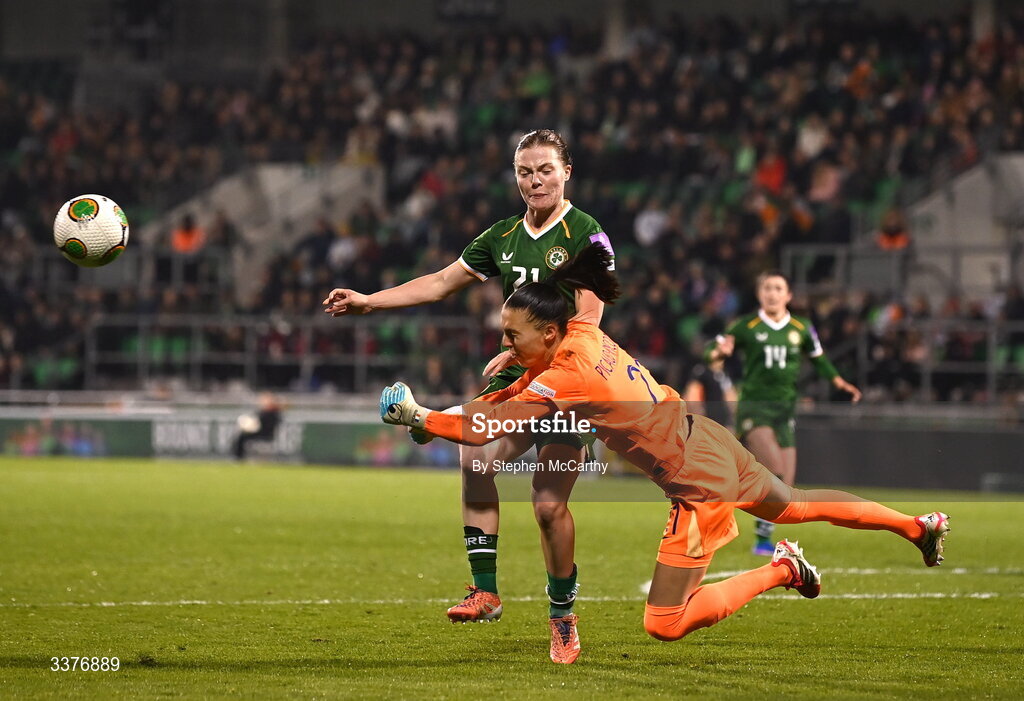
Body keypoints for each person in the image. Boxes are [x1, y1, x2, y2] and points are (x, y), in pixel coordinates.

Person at [378, 243, 949, 661]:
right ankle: (915, 527)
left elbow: (487, 425)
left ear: (548, 334)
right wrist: (443, 418)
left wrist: (421, 416)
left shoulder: (570, 375)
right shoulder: (581, 336)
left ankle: (781, 570)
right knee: (796, 502)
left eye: (513, 335)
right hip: (707, 438)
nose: (506, 344)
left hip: (696, 481)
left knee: (665, 622)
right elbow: (513, 394)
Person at [323, 130, 614, 658]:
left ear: (566, 172)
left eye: (545, 169)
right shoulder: (502, 236)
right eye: (525, 171)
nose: (534, 180)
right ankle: (486, 591)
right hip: (520, 374)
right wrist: (370, 301)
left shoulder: (587, 234)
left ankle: (562, 615)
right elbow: (438, 282)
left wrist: (535, 351)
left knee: (548, 508)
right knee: (475, 454)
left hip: (570, 381)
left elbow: (590, 317)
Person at [705, 271, 862, 556]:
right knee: (774, 469)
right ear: (759, 294)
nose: (772, 293)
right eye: (767, 288)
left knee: (785, 488)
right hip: (754, 406)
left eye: (778, 288)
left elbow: (819, 359)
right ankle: (724, 507)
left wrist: (839, 382)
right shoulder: (745, 326)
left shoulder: (801, 328)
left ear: (788, 295)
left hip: (785, 410)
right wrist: (718, 353)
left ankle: (760, 536)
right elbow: (711, 352)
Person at [233, 393, 282, 460]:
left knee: (242, 437)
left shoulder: (272, 413)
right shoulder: (263, 412)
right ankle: (238, 456)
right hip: (260, 433)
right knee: (242, 436)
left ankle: (239, 457)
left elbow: (260, 424)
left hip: (264, 434)